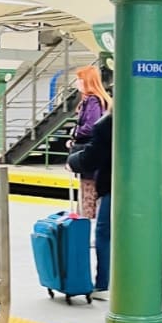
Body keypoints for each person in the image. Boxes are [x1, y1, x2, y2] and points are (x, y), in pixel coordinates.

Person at [66, 110, 112, 301]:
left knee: (104, 233)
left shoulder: (107, 124)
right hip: (148, 188)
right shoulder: (150, 118)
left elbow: (92, 158)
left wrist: (72, 161)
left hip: (115, 186)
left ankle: (104, 285)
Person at [66, 66, 112, 218]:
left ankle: (86, 226)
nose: (77, 83)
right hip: (95, 152)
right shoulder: (100, 99)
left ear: (87, 81)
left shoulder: (92, 100)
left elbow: (90, 126)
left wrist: (75, 134)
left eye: (80, 79)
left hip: (88, 153)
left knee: (87, 194)